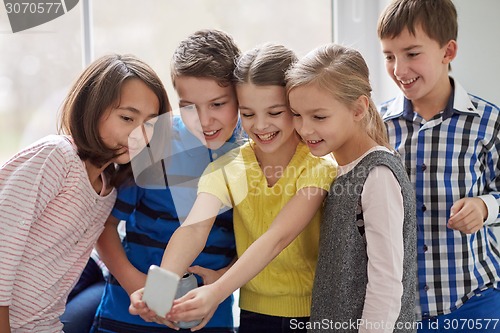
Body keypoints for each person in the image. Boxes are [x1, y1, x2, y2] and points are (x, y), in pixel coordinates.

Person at [130, 43, 336, 333]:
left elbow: (277, 238)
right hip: (252, 311)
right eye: (249, 114)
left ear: (295, 107)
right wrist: (159, 289)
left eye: (275, 112)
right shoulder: (227, 167)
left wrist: (217, 292)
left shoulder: (318, 166)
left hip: (313, 314)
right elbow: (193, 229)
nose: (261, 125)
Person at [0, 53, 170, 333]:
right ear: (93, 108)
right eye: (127, 118)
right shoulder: (56, 156)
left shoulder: (108, 190)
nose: (139, 134)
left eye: (150, 124)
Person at [91, 29, 243, 333]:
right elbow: (104, 226)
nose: (204, 120)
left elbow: (259, 237)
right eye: (189, 106)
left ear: (240, 95)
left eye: (217, 104)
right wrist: (140, 287)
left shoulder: (255, 151)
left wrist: (224, 280)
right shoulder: (155, 141)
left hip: (208, 317)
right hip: (127, 315)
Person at [377, 0, 500, 332]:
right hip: (397, 309)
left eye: (412, 53)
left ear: (448, 51)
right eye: (389, 56)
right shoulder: (377, 126)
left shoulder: (487, 122)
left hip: (475, 302)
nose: (399, 69)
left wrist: (485, 206)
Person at [286, 44, 417, 333]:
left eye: (319, 117)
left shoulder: (378, 174)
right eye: (297, 114)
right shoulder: (333, 167)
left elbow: (386, 284)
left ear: (358, 109)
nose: (305, 129)